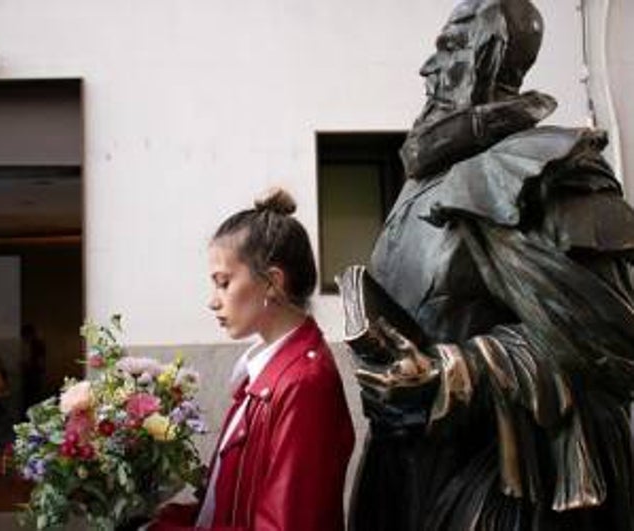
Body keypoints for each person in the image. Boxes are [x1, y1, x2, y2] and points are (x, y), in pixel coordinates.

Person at [340, 0, 634, 529]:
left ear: (492, 54)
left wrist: (455, 372)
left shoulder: (553, 168)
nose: (427, 70)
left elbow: (611, 339)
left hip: (500, 486)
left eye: (450, 47)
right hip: (406, 474)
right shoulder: (418, 185)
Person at [150, 188, 355, 530]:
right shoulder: (262, 375)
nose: (213, 302)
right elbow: (222, 508)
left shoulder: (304, 383)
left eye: (223, 283)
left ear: (272, 283)